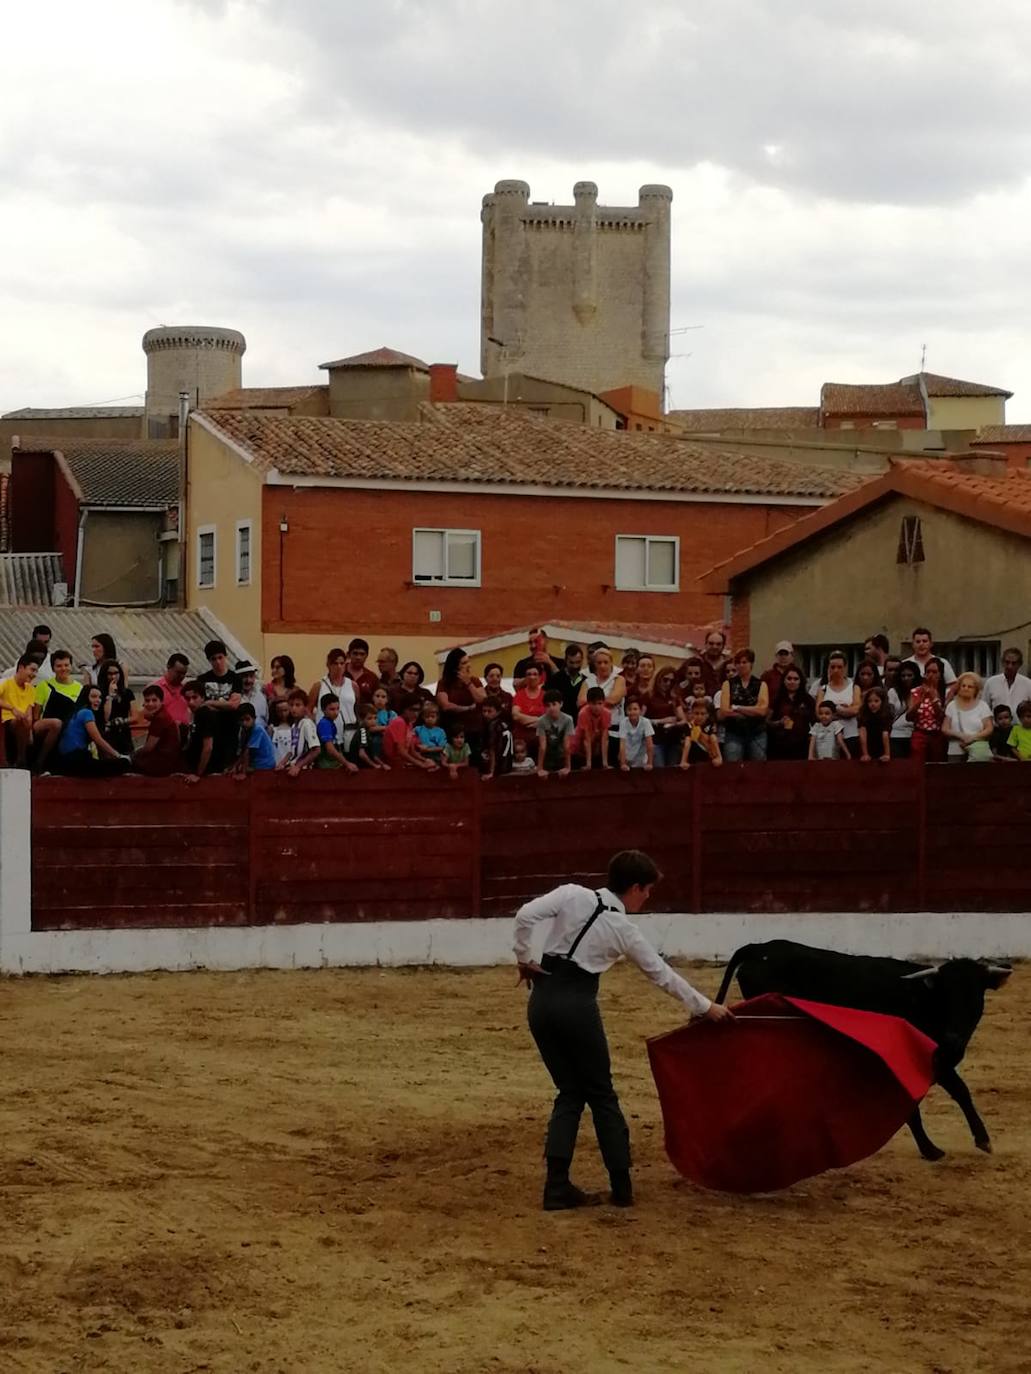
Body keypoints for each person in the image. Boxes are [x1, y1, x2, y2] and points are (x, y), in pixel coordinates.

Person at [514, 849, 732, 1210]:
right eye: (647, 891)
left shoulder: (572, 894)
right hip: (577, 1007)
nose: (647, 898)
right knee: (601, 1094)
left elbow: (524, 915)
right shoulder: (623, 930)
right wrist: (706, 1007)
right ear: (634, 888)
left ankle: (556, 1186)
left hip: (541, 1001)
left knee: (570, 1091)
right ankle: (622, 1187)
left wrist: (524, 958)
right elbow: (662, 975)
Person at [55, 686, 131, 776]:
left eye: (100, 697)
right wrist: (118, 756)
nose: (98, 700)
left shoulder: (76, 712)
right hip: (76, 760)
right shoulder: (86, 712)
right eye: (94, 696)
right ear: (86, 697)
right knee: (124, 763)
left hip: (65, 761)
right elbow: (98, 739)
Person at [197, 639, 244, 773]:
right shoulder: (202, 679)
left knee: (227, 768)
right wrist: (224, 705)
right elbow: (201, 706)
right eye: (213, 659)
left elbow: (234, 705)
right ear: (209, 660)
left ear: (225, 657)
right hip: (210, 730)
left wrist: (211, 702)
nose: (218, 662)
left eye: (220, 657)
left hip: (230, 730)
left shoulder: (235, 678)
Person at [32, 650, 82, 771]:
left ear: (71, 666)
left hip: (69, 728)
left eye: (66, 665)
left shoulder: (80, 688)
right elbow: (36, 715)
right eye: (59, 666)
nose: (63, 669)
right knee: (56, 723)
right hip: (46, 726)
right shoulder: (43, 685)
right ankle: (40, 761)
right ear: (53, 668)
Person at [577, 646, 626, 767]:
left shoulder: (618, 679)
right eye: (599, 662)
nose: (603, 665)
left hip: (614, 731)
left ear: (611, 663)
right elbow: (579, 702)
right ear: (595, 665)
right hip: (591, 733)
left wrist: (592, 702)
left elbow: (615, 699)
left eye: (606, 662)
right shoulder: (588, 681)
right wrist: (603, 701)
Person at [719, 648, 769, 763]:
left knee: (758, 766)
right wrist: (752, 711)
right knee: (733, 765)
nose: (741, 665)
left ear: (751, 664)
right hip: (734, 733)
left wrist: (738, 708)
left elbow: (762, 710)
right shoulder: (728, 684)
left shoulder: (761, 684)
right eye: (738, 663)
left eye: (744, 662)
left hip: (757, 733)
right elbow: (725, 711)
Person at [436, 648, 486, 762]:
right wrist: (467, 708)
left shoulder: (475, 681)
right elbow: (445, 705)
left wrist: (468, 683)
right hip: (453, 731)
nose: (468, 665)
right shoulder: (444, 683)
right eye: (464, 663)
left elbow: (481, 699)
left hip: (473, 731)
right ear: (455, 667)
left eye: (468, 661)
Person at [308, 648, 357, 752]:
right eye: (335, 663)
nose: (339, 667)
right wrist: (315, 726)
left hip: (350, 732)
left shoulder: (353, 685)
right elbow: (308, 709)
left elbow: (357, 708)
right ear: (328, 665)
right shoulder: (319, 686)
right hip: (327, 735)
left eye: (342, 663)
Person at [815, 651, 861, 759]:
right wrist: (843, 710)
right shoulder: (823, 689)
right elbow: (818, 713)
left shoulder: (854, 687)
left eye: (840, 667)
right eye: (833, 667)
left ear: (845, 668)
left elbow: (856, 710)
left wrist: (833, 710)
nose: (836, 670)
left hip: (851, 735)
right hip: (828, 738)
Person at [766, 666, 815, 761]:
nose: (792, 681)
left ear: (801, 681)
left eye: (796, 679)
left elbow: (815, 723)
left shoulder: (808, 700)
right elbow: (767, 722)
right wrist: (779, 722)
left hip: (802, 747)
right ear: (784, 680)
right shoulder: (776, 699)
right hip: (779, 747)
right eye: (789, 678)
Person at [134, 684, 184, 776]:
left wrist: (134, 754)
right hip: (169, 758)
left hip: (162, 762)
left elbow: (148, 748)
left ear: (161, 701)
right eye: (147, 700)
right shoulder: (161, 713)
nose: (150, 704)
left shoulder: (160, 718)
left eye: (154, 700)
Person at [942, 673, 993, 763]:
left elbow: (989, 728)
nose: (966, 688)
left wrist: (972, 738)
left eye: (970, 687)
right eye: (963, 686)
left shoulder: (983, 705)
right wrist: (961, 735)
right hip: (955, 750)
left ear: (976, 689)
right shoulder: (952, 705)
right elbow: (945, 729)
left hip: (977, 750)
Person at [0, 655, 40, 767]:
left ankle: (24, 761)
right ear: (21, 667)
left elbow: (29, 712)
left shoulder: (31, 689)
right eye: (32, 670)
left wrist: (30, 730)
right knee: (20, 722)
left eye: (36, 671)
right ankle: (21, 759)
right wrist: (12, 709)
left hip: (22, 721)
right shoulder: (6, 683)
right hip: (6, 720)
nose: (34, 674)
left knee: (25, 723)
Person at [907, 657, 947, 763]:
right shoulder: (915, 691)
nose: (931, 675)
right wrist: (920, 700)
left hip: (937, 735)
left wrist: (934, 699)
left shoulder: (945, 693)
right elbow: (909, 717)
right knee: (917, 764)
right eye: (928, 671)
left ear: (940, 674)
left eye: (934, 672)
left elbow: (942, 717)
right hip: (919, 733)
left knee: (936, 765)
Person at [383, 697, 436, 770]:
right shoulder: (399, 722)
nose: (416, 714)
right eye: (412, 710)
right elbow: (401, 751)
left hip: (403, 762)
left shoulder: (409, 724)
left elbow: (411, 751)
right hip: (393, 765)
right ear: (404, 710)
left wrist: (424, 760)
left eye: (418, 711)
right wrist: (421, 764)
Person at [645, 666, 683, 767]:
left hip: (673, 739)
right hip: (656, 739)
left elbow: (683, 719)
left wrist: (674, 723)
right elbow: (639, 720)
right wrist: (660, 721)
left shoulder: (674, 698)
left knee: (672, 772)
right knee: (659, 770)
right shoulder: (649, 696)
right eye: (665, 680)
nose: (668, 684)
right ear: (659, 678)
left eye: (671, 681)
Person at [97, 659, 136, 758]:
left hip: (124, 735)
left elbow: (135, 717)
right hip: (107, 736)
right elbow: (106, 716)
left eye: (116, 673)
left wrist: (121, 721)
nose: (113, 677)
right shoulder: (99, 694)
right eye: (109, 674)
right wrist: (110, 695)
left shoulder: (127, 693)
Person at [182, 681, 218, 779]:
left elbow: (208, 747)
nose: (191, 702)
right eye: (187, 698)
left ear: (202, 697)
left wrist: (198, 773)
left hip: (204, 771)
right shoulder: (195, 714)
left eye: (195, 697)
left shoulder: (205, 714)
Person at [281, 689, 320, 776]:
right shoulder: (294, 726)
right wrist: (282, 763)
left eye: (298, 705)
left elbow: (316, 750)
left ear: (305, 707)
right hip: (293, 766)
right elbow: (292, 751)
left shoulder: (307, 724)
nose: (294, 708)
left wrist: (298, 766)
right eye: (291, 705)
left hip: (304, 770)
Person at [535, 691, 574, 777]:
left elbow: (567, 744)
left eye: (554, 704)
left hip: (562, 756)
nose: (551, 708)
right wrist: (540, 768)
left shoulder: (568, 720)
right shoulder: (541, 721)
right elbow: (542, 746)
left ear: (561, 704)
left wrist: (568, 767)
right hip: (547, 757)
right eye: (548, 705)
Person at [572, 687, 611, 771]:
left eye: (600, 703)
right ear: (588, 703)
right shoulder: (583, 713)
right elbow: (586, 739)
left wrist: (605, 763)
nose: (597, 707)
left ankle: (602, 762)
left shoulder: (607, 713)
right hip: (579, 746)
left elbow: (605, 739)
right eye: (594, 704)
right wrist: (588, 764)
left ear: (604, 702)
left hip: (595, 743)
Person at [888, 660, 921, 759]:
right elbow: (889, 715)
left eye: (910, 675)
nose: (906, 678)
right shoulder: (893, 692)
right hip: (896, 735)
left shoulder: (921, 692)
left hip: (916, 734)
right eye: (903, 676)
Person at [316, 696, 359, 772]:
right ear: (323, 709)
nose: (336, 712)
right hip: (327, 766)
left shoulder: (330, 723)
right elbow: (330, 749)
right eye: (332, 709)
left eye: (338, 708)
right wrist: (347, 763)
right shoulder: (324, 724)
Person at [233, 702, 278, 773]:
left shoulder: (257, 729)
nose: (244, 723)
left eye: (247, 719)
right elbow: (243, 752)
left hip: (265, 764)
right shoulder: (244, 731)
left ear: (254, 718)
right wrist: (235, 766)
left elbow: (248, 751)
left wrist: (244, 772)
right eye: (242, 720)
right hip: (255, 762)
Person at [983, 648, 1031, 715]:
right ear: (1002, 662)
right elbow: (984, 709)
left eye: (1014, 663)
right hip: (996, 725)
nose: (1010, 666)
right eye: (1007, 662)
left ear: (1020, 664)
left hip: (1021, 725)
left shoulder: (1028, 684)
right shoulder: (991, 682)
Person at [151, 653, 191, 728]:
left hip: (183, 733)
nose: (181, 676)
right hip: (163, 733)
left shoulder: (186, 690)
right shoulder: (155, 688)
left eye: (184, 673)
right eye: (178, 673)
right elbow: (148, 714)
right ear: (168, 667)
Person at [513, 663, 549, 745]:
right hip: (521, 742)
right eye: (528, 674)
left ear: (540, 677)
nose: (532, 677)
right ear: (525, 678)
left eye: (535, 674)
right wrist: (539, 720)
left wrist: (526, 720)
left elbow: (551, 717)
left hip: (542, 740)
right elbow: (515, 715)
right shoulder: (519, 695)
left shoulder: (546, 696)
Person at [680, 698, 722, 767]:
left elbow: (713, 740)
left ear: (707, 715)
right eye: (696, 713)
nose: (699, 716)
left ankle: (719, 757)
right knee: (688, 740)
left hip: (708, 756)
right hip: (693, 755)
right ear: (692, 713)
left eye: (702, 714)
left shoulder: (710, 724)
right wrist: (683, 761)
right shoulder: (688, 725)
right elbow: (687, 743)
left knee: (712, 737)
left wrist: (717, 757)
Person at [549, 644, 587, 720]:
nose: (575, 666)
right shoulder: (556, 678)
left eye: (578, 662)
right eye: (572, 662)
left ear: (582, 660)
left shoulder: (585, 680)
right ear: (566, 660)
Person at [480, 699, 514, 779]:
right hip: (507, 764)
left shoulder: (494, 726)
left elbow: (493, 749)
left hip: (499, 765)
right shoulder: (504, 723)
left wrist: (491, 772)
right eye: (484, 711)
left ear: (498, 712)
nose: (486, 714)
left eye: (489, 711)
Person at [618, 698, 655, 771]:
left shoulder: (646, 722)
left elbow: (650, 744)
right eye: (629, 709)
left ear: (640, 711)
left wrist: (650, 763)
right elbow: (622, 744)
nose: (632, 712)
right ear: (626, 711)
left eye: (635, 709)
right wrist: (623, 763)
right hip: (627, 758)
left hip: (641, 760)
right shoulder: (623, 722)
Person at [347, 704, 388, 770]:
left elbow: (372, 754)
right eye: (369, 718)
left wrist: (382, 764)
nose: (373, 721)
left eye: (375, 718)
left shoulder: (367, 730)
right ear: (361, 719)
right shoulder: (363, 731)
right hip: (359, 766)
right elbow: (362, 754)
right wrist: (374, 765)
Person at [858, 687, 893, 763]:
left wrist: (887, 754)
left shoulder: (886, 715)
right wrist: (865, 754)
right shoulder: (863, 714)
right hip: (867, 745)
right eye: (869, 701)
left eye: (876, 701)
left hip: (882, 746)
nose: (872, 704)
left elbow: (885, 734)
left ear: (882, 701)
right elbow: (862, 734)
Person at [697, 628, 730, 698]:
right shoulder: (696, 662)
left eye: (718, 644)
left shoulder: (731, 664)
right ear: (705, 644)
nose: (715, 647)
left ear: (723, 646)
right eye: (711, 643)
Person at [346, 638, 380, 703]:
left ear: (366, 656)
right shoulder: (340, 673)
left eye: (362, 654)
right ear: (349, 654)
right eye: (355, 653)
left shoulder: (372, 678)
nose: (358, 657)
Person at [236, 659, 268, 726]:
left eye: (251, 676)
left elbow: (266, 719)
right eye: (245, 676)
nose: (248, 680)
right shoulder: (233, 697)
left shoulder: (261, 696)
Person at [414, 700, 448, 765]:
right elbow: (411, 742)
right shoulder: (417, 729)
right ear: (423, 717)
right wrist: (418, 746)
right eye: (427, 717)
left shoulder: (440, 732)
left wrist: (428, 749)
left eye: (432, 716)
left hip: (435, 756)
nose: (430, 719)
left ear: (437, 717)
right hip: (420, 755)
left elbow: (443, 747)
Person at [370, 686, 396, 760]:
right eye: (377, 696)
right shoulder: (369, 712)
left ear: (387, 699)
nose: (380, 699)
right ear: (372, 698)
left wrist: (379, 728)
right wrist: (386, 727)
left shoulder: (391, 713)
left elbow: (394, 728)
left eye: (383, 697)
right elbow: (370, 728)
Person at [269, 698, 293, 767]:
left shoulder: (295, 726)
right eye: (279, 711)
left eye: (285, 710)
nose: (283, 714)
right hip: (278, 762)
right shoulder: (273, 728)